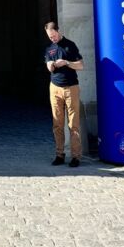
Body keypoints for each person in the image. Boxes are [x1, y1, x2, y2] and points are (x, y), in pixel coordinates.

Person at [44, 20, 84, 167]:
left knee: (73, 124)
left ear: (58, 31)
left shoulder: (70, 45)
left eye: (53, 36)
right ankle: (59, 154)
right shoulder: (49, 49)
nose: (52, 39)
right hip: (54, 87)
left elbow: (81, 65)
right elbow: (48, 65)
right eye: (50, 37)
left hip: (71, 87)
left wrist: (67, 63)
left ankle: (76, 156)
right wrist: (50, 65)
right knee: (57, 124)